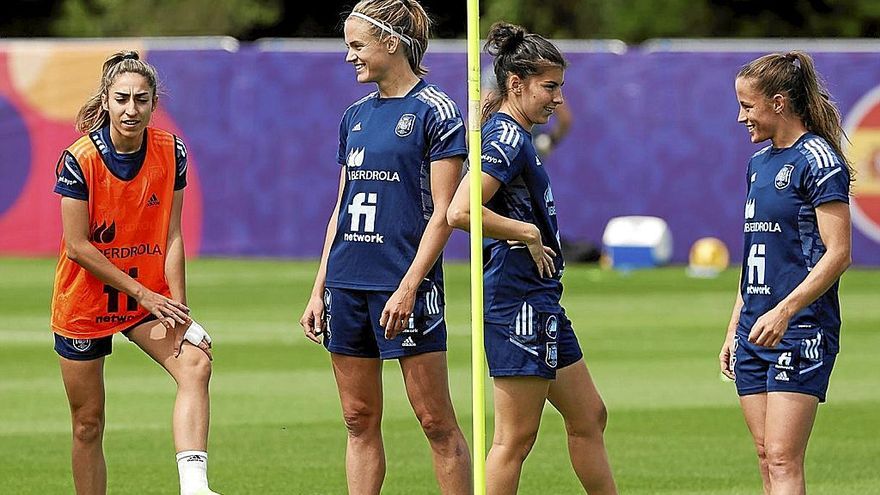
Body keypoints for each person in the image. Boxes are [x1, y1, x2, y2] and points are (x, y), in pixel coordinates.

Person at [298, 1, 472, 493]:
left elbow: (443, 213)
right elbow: (341, 207)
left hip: (404, 285)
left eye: (357, 46)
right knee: (357, 419)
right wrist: (319, 289)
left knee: (436, 422)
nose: (349, 56)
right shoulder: (353, 115)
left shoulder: (435, 111)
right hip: (347, 282)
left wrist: (410, 286)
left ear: (391, 43)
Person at [447, 22, 617, 495]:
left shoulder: (516, 135)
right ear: (516, 84)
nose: (558, 98)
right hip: (516, 300)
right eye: (550, 87)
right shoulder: (504, 138)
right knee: (514, 439)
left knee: (589, 415)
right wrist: (526, 231)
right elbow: (460, 210)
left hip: (540, 298)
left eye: (560, 86)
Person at [51, 51, 219, 495]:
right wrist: (144, 295)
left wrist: (179, 311)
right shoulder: (79, 159)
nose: (131, 109)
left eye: (141, 99)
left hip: (148, 297)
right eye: (122, 98)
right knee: (88, 424)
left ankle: (195, 487)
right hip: (87, 300)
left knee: (196, 364)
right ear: (105, 101)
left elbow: (173, 233)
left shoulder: (171, 150)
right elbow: (78, 246)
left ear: (153, 103)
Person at [720, 51, 854, 494]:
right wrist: (734, 325)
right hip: (753, 331)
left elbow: (838, 254)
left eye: (747, 106)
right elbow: (757, 252)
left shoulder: (818, 158)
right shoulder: (758, 164)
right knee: (764, 456)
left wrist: (784, 311)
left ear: (779, 103)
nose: (740, 117)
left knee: (782, 457)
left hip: (799, 329)